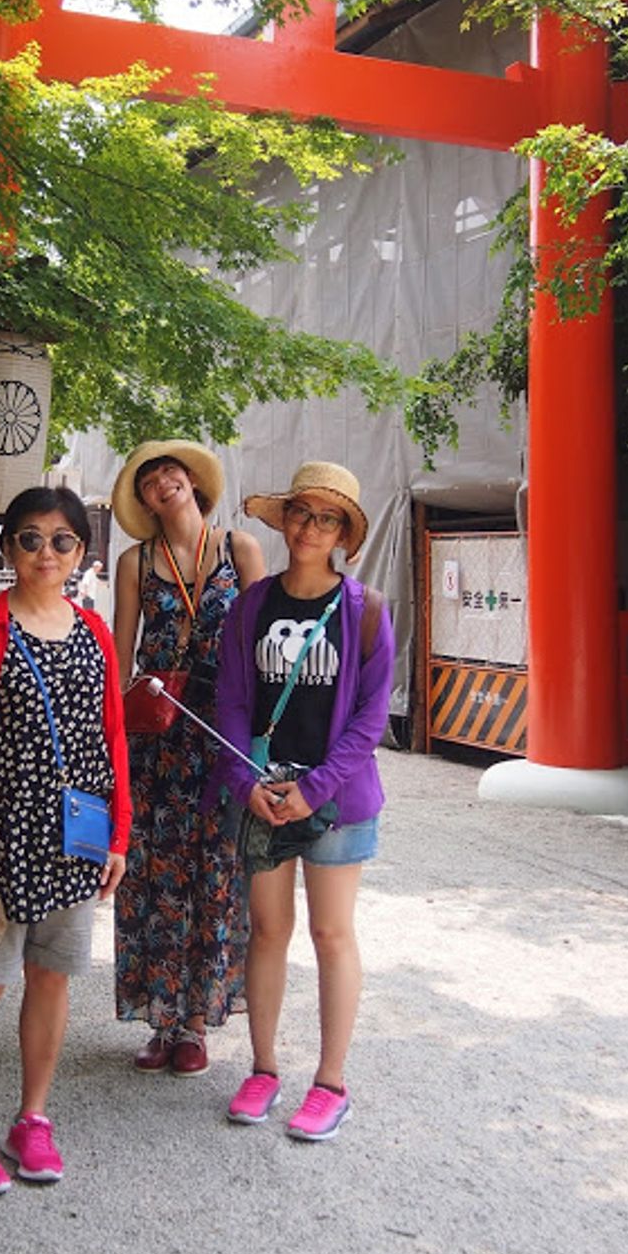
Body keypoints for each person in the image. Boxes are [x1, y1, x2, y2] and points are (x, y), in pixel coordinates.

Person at [0, 486, 131, 1197]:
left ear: (81, 551)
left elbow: (110, 741)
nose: (46, 553)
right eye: (30, 538)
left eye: (62, 540)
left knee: (53, 978)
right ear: (8, 547)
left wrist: (119, 836)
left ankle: (32, 1119)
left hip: (76, 840)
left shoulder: (95, 633)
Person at [207, 461, 393, 1141]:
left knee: (331, 933)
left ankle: (331, 1082)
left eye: (327, 518)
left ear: (343, 533)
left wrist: (312, 787)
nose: (310, 527)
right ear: (282, 518)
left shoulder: (366, 611)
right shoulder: (252, 607)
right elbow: (230, 699)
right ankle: (261, 1067)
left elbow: (371, 719)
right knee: (268, 930)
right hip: (262, 792)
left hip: (337, 799)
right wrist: (243, 783)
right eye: (301, 512)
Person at [111, 440, 264, 1076]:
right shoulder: (134, 560)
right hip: (158, 733)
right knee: (154, 872)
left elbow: (262, 643)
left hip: (222, 731)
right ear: (143, 501)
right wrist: (109, 736)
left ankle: (197, 1021)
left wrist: (263, 738)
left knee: (216, 871)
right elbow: (121, 651)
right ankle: (160, 1017)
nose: (161, 483)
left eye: (169, 471)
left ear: (192, 480)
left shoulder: (240, 548)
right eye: (148, 480)